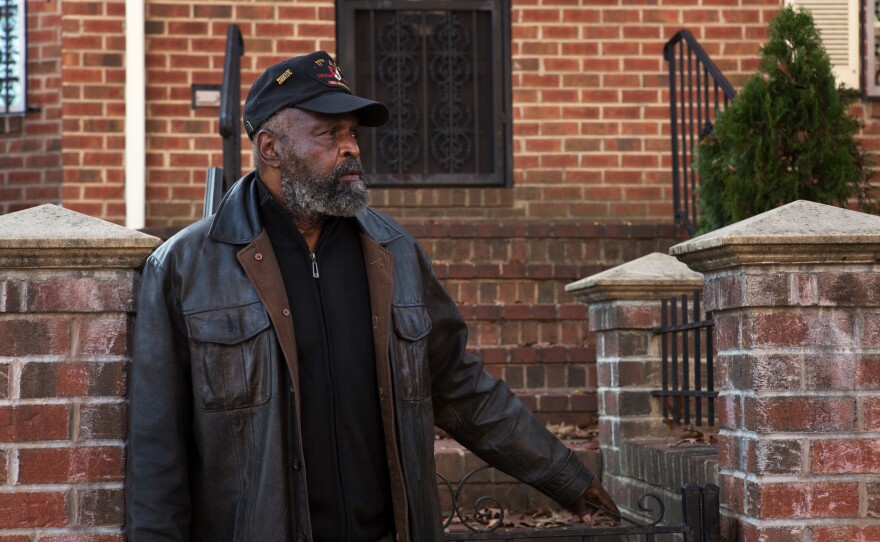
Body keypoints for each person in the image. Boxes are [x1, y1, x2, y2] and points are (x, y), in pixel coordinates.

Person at [126, 51, 619, 542]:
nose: (351, 149)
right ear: (271, 148)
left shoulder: (394, 252)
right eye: (328, 134)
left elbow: (461, 388)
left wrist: (565, 478)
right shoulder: (187, 266)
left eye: (353, 134)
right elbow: (157, 449)